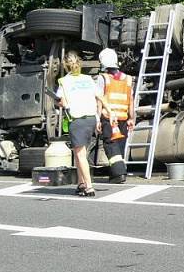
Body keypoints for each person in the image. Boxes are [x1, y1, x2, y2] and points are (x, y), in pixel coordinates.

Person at [56, 50, 108, 197]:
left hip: (77, 120)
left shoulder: (64, 81)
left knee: (80, 155)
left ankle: (89, 186)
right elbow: (100, 97)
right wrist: (109, 113)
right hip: (91, 119)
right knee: (80, 153)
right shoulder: (87, 79)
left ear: (65, 66)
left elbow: (61, 101)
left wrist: (60, 102)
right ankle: (81, 183)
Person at [96, 48, 134, 184]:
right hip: (123, 118)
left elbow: (99, 100)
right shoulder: (128, 79)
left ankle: (119, 173)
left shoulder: (103, 78)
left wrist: (97, 119)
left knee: (110, 145)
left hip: (108, 118)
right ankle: (114, 174)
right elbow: (131, 100)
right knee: (120, 146)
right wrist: (132, 118)